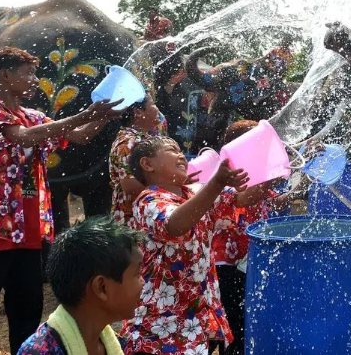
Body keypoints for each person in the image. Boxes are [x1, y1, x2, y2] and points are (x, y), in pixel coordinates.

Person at [0, 47, 123, 354]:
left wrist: (102, 116)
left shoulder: (33, 115)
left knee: (27, 311)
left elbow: (81, 135)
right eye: (28, 73)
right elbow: (23, 137)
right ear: (5, 75)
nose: (35, 79)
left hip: (29, 232)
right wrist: (84, 114)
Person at [121, 137, 280, 355]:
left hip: (195, 319)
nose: (181, 155)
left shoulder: (194, 192)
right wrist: (216, 183)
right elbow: (175, 225)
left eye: (180, 150)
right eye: (171, 150)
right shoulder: (148, 201)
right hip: (161, 322)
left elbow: (244, 198)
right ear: (148, 165)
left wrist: (271, 167)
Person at [211, 120, 302, 355]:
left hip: (246, 258)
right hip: (225, 261)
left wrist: (306, 175)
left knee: (243, 318)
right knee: (230, 318)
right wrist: (275, 166)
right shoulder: (224, 174)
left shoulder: (254, 173)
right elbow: (248, 197)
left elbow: (278, 200)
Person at [16, 216, 144, 355]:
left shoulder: (117, 345)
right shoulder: (38, 352)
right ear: (102, 288)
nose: (143, 283)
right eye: (137, 275)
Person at [108, 96, 167, 228]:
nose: (158, 109)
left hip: (143, 213)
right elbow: (131, 187)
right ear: (138, 113)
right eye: (153, 104)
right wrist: (169, 188)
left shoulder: (139, 138)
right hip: (134, 220)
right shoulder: (129, 143)